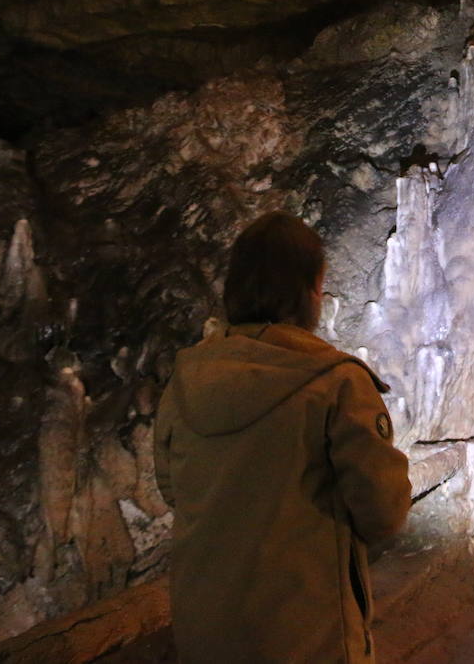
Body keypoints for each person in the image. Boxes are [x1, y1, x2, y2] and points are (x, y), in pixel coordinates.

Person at [154, 211, 411, 663]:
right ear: (309, 291)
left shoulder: (188, 376)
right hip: (307, 632)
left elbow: (172, 487)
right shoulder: (336, 383)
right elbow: (383, 511)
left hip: (205, 631)